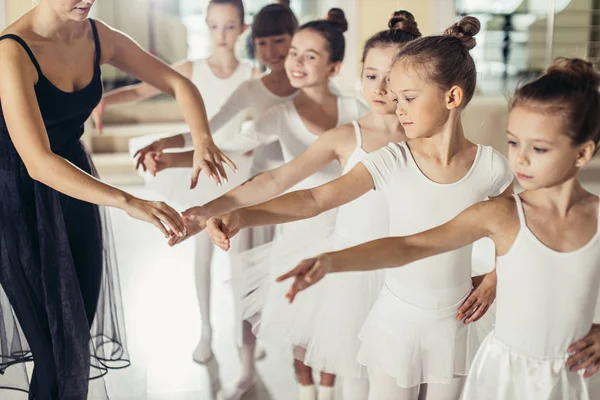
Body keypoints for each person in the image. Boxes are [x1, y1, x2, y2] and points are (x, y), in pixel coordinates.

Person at [205, 17, 513, 400]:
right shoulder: (392, 159)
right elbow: (315, 198)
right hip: (396, 319)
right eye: (396, 98)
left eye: (409, 98)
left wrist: (496, 278)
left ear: (452, 98)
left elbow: (514, 230)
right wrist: (243, 215)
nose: (398, 107)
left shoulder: (492, 167)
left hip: (455, 321)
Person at [278, 58, 600, 400]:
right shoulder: (499, 214)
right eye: (513, 143)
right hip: (499, 374)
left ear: (583, 153)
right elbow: (410, 246)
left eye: (538, 148)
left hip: (572, 377)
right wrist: (330, 262)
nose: (519, 159)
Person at [0, 0, 230, 398]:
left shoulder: (97, 34)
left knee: (74, 345)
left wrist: (203, 138)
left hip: (76, 191)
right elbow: (37, 162)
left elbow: (178, 83)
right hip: (19, 198)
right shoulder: (12, 51)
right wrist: (130, 202)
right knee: (53, 354)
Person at [92, 0, 257, 366]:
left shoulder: (251, 75)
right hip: (197, 166)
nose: (222, 35)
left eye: (230, 26)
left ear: (243, 29)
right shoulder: (190, 69)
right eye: (215, 26)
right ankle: (205, 330)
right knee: (201, 253)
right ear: (206, 26)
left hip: (236, 169)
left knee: (240, 260)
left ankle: (243, 340)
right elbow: (138, 91)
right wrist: (100, 100)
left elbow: (252, 131)